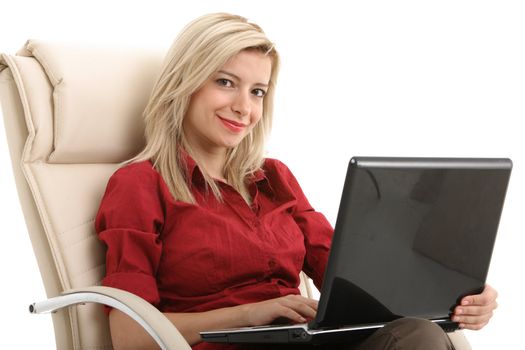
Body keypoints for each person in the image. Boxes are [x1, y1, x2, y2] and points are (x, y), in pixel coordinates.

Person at [95, 12, 498, 350]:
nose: (243, 108)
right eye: (225, 82)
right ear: (185, 82)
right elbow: (129, 335)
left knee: (423, 333)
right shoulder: (140, 184)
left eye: (257, 92)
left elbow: (348, 277)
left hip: (303, 342)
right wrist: (248, 315)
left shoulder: (273, 177)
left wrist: (455, 299)